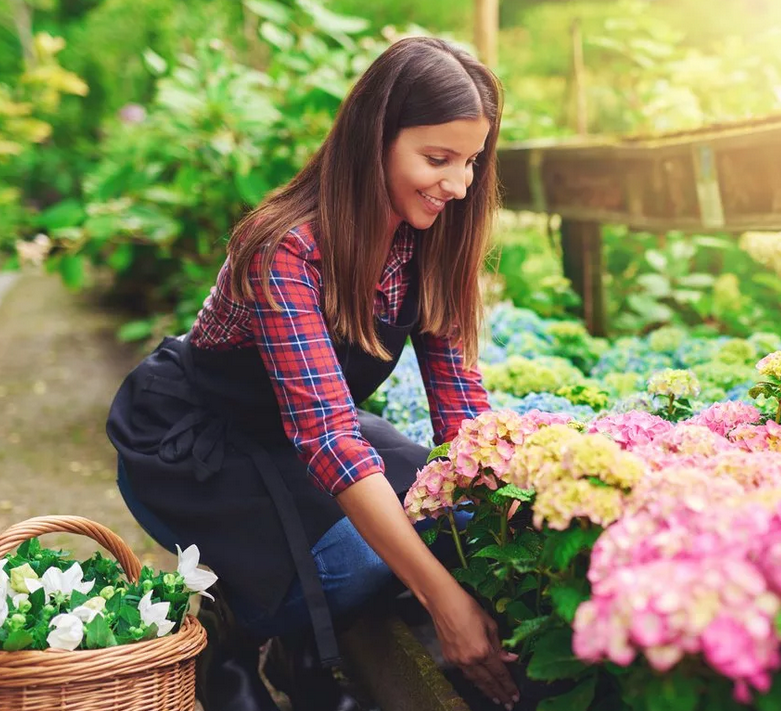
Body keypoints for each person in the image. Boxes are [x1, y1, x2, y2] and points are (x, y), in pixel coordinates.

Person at [106, 36, 520, 711]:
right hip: (198, 440)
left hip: (300, 432)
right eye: (437, 159)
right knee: (357, 563)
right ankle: (226, 631)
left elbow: (461, 414)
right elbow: (327, 437)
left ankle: (303, 644)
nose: (459, 184)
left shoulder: (433, 240)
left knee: (450, 512)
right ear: (374, 140)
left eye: (471, 161)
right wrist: (444, 601)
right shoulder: (286, 247)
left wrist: (511, 513)